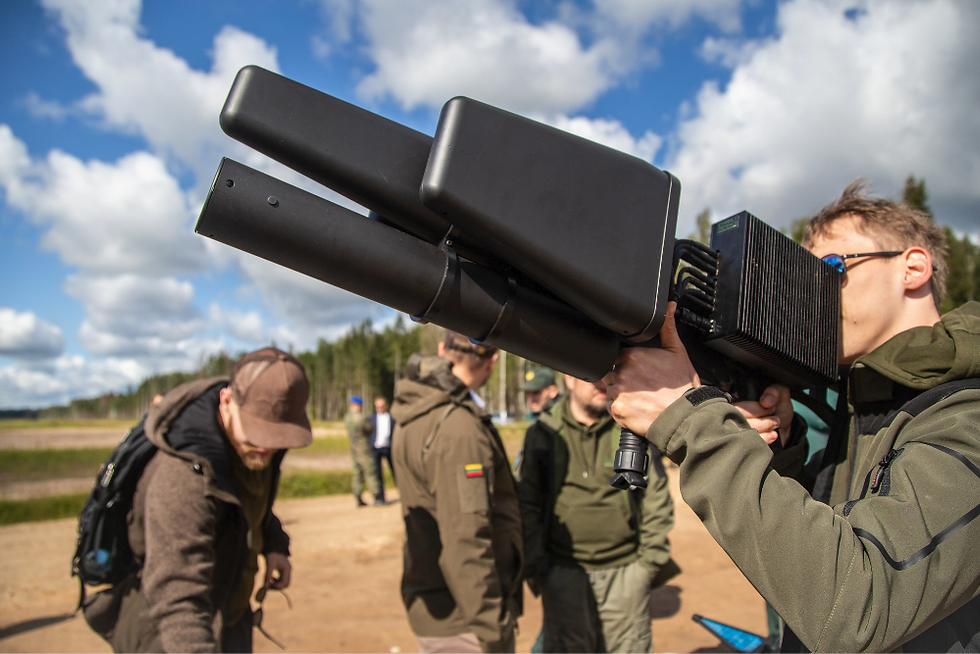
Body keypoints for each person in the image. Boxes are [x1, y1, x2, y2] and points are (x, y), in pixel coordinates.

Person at [605, 181, 980, 653]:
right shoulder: (861, 404)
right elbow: (829, 543)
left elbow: (854, 607)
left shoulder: (965, 412)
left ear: (913, 268)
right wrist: (784, 452)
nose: (812, 295)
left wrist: (690, 419)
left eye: (831, 268)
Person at [109, 347, 313, 653]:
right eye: (258, 432)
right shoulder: (183, 477)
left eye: (277, 437)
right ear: (227, 401)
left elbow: (245, 505)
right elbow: (177, 598)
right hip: (172, 632)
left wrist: (274, 543)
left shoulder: (254, 446)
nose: (266, 447)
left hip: (230, 613)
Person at [517, 374, 677, 654]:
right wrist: (541, 569)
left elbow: (656, 498)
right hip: (563, 575)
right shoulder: (543, 433)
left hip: (625, 575)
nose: (604, 384)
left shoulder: (632, 429)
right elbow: (526, 505)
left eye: (609, 375)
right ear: (569, 378)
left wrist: (646, 567)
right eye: (593, 377)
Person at [391, 331, 523, 654]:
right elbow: (467, 540)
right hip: (466, 622)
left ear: (442, 349)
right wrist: (493, 630)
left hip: (442, 604)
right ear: (492, 361)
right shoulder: (459, 428)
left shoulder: (415, 409)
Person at [345, 395, 382, 507]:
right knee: (370, 472)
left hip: (354, 449)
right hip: (364, 449)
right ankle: (377, 497)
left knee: (357, 474)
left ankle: (358, 497)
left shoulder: (347, 418)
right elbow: (370, 428)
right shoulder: (361, 418)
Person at [369, 395, 396, 503]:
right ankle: (380, 497)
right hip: (376, 448)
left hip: (389, 448)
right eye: (377, 407)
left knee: (396, 471)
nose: (379, 408)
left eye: (381, 406)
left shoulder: (392, 418)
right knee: (378, 474)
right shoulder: (371, 418)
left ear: (386, 406)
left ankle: (404, 494)